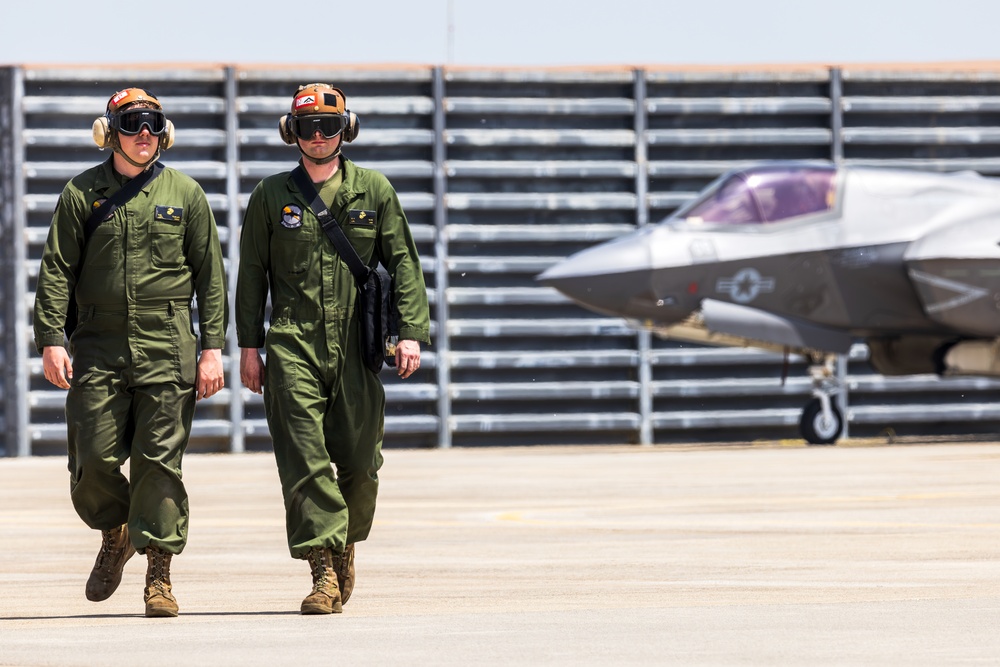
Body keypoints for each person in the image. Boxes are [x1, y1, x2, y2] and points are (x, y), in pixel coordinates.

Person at [33, 87, 229, 618]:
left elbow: (211, 277)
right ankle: (115, 529)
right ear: (109, 131)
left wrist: (213, 349)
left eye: (153, 124)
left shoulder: (186, 194)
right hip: (98, 345)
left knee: (158, 464)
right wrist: (51, 337)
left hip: (168, 344)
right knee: (92, 460)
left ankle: (159, 575)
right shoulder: (80, 194)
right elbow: (56, 270)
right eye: (132, 123)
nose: (145, 133)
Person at [235, 83, 430, 615]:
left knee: (361, 463)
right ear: (290, 132)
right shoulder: (272, 196)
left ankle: (344, 542)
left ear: (347, 129)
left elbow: (405, 263)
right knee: (303, 455)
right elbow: (252, 277)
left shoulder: (375, 190)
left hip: (356, 345)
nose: (318, 137)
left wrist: (409, 331)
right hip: (293, 341)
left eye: (328, 127)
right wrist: (248, 348)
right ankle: (321, 568)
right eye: (306, 128)